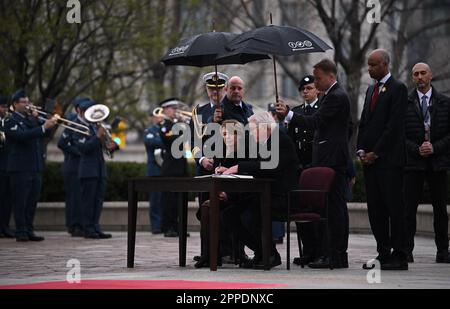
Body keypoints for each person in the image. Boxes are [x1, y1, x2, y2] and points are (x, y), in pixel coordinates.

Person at [276, 59, 351, 269]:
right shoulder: (331, 95)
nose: (316, 83)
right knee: (329, 209)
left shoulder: (336, 97)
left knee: (334, 211)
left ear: (331, 76)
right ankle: (329, 253)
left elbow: (316, 122)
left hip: (333, 160)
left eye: (318, 79)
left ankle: (335, 255)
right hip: (328, 159)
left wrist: (289, 114)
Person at [219, 112, 299, 269]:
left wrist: (237, 167)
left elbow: (270, 166)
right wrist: (229, 169)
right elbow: (254, 165)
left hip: (283, 197)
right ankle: (262, 251)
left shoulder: (280, 140)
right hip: (265, 194)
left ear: (266, 128)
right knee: (229, 214)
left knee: (251, 213)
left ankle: (269, 254)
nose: (251, 132)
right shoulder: (264, 142)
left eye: (254, 129)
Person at [357, 49, 409, 270]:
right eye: (368, 65)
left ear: (385, 64)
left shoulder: (398, 89)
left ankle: (400, 255)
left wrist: (375, 152)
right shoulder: (371, 90)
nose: (369, 69)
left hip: (389, 162)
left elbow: (394, 127)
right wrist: (361, 149)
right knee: (376, 210)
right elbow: (364, 122)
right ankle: (383, 252)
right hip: (370, 163)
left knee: (394, 209)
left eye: (373, 65)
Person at [404, 62, 450, 263]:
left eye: (423, 73)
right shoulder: (404, 102)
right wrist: (416, 149)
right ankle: (406, 250)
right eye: (416, 74)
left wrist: (435, 147)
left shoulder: (444, 102)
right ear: (412, 77)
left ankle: (443, 250)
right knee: (408, 209)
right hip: (413, 163)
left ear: (430, 75)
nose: (420, 77)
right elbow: (399, 134)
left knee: (440, 209)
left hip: (438, 163)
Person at [4, 89, 57, 241]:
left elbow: (46, 134)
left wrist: (42, 120)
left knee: (32, 200)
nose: (28, 105)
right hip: (19, 167)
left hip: (34, 166)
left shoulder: (30, 119)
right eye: (24, 102)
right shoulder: (11, 119)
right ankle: (20, 231)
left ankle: (28, 229)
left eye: (28, 102)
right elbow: (21, 136)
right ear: (15, 104)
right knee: (21, 200)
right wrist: (42, 127)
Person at [284, 75, 322, 266]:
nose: (306, 92)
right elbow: (290, 140)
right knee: (300, 210)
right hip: (299, 167)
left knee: (315, 209)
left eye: (309, 88)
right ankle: (306, 250)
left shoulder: (321, 109)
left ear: (317, 90)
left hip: (315, 165)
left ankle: (318, 251)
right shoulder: (296, 112)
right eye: (303, 89)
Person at [74, 98, 118, 239]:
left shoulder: (96, 127)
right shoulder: (79, 127)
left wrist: (112, 146)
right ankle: (88, 228)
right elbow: (84, 148)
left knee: (98, 200)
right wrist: (97, 137)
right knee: (88, 201)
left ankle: (95, 226)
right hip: (88, 170)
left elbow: (106, 149)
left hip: (99, 169)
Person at [57, 97, 88, 237]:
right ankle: (74, 225)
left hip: (82, 165)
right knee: (74, 198)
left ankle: (81, 224)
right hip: (73, 165)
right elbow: (62, 143)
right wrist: (79, 152)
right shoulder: (72, 123)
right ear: (78, 110)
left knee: (81, 197)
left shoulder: (89, 124)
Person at [158, 98, 188, 237]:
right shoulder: (165, 125)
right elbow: (171, 141)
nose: (175, 110)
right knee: (169, 201)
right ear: (165, 110)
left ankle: (178, 227)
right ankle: (168, 227)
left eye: (176, 108)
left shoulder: (177, 124)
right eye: (172, 108)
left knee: (179, 200)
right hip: (170, 167)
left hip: (181, 166)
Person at [143, 113, 164, 234]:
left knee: (164, 200)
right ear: (153, 118)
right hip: (154, 170)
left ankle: (164, 224)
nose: (160, 118)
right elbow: (150, 142)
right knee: (155, 200)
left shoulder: (166, 129)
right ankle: (156, 226)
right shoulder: (149, 130)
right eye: (157, 116)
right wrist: (166, 140)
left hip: (165, 169)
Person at [0, 93, 14, 238]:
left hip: (8, 166)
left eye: (5, 107)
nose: (5, 110)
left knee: (7, 198)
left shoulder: (8, 121)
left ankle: (5, 226)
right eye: (3, 107)